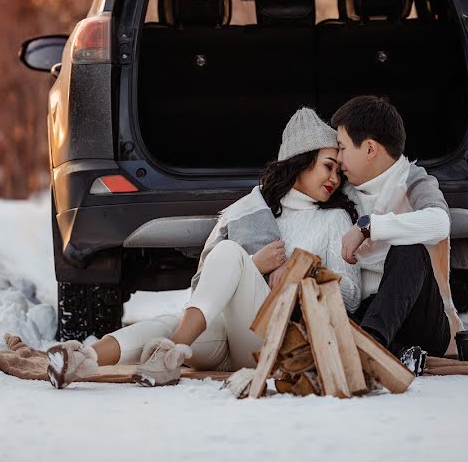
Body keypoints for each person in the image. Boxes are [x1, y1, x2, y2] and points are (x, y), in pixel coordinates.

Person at [45, 107, 360, 388]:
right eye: (327, 167)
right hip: (229, 337)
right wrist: (256, 265)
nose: (334, 178)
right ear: (300, 162)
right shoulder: (250, 211)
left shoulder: (335, 219)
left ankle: (170, 354)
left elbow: (351, 297)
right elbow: (204, 283)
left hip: (281, 339)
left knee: (230, 255)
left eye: (337, 170)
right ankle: (82, 359)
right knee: (167, 324)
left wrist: (299, 273)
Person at [330, 95, 461, 375]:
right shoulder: (341, 191)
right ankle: (395, 352)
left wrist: (368, 227)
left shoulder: (413, 180)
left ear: (369, 149)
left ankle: (370, 348)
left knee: (409, 249)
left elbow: (439, 223)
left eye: (342, 148)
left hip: (419, 317)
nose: (337, 158)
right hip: (362, 312)